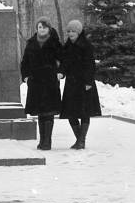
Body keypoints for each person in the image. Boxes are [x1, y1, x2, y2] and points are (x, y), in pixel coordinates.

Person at [58, 19, 102, 149]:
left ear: (79, 32)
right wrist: (61, 72)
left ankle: (81, 141)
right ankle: (80, 140)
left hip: (84, 83)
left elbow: (90, 65)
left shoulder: (86, 46)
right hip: (71, 83)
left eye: (73, 31)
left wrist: (88, 82)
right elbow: (64, 63)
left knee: (84, 112)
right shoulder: (67, 47)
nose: (70, 33)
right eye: (69, 31)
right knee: (70, 113)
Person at [20, 16, 62, 150]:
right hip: (36, 82)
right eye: (39, 27)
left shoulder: (55, 43)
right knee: (40, 112)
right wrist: (25, 76)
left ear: (48, 28)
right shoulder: (31, 43)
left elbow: (65, 60)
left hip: (50, 81)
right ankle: (42, 140)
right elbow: (24, 62)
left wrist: (60, 73)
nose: (41, 29)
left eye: (44, 27)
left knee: (48, 112)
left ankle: (47, 142)